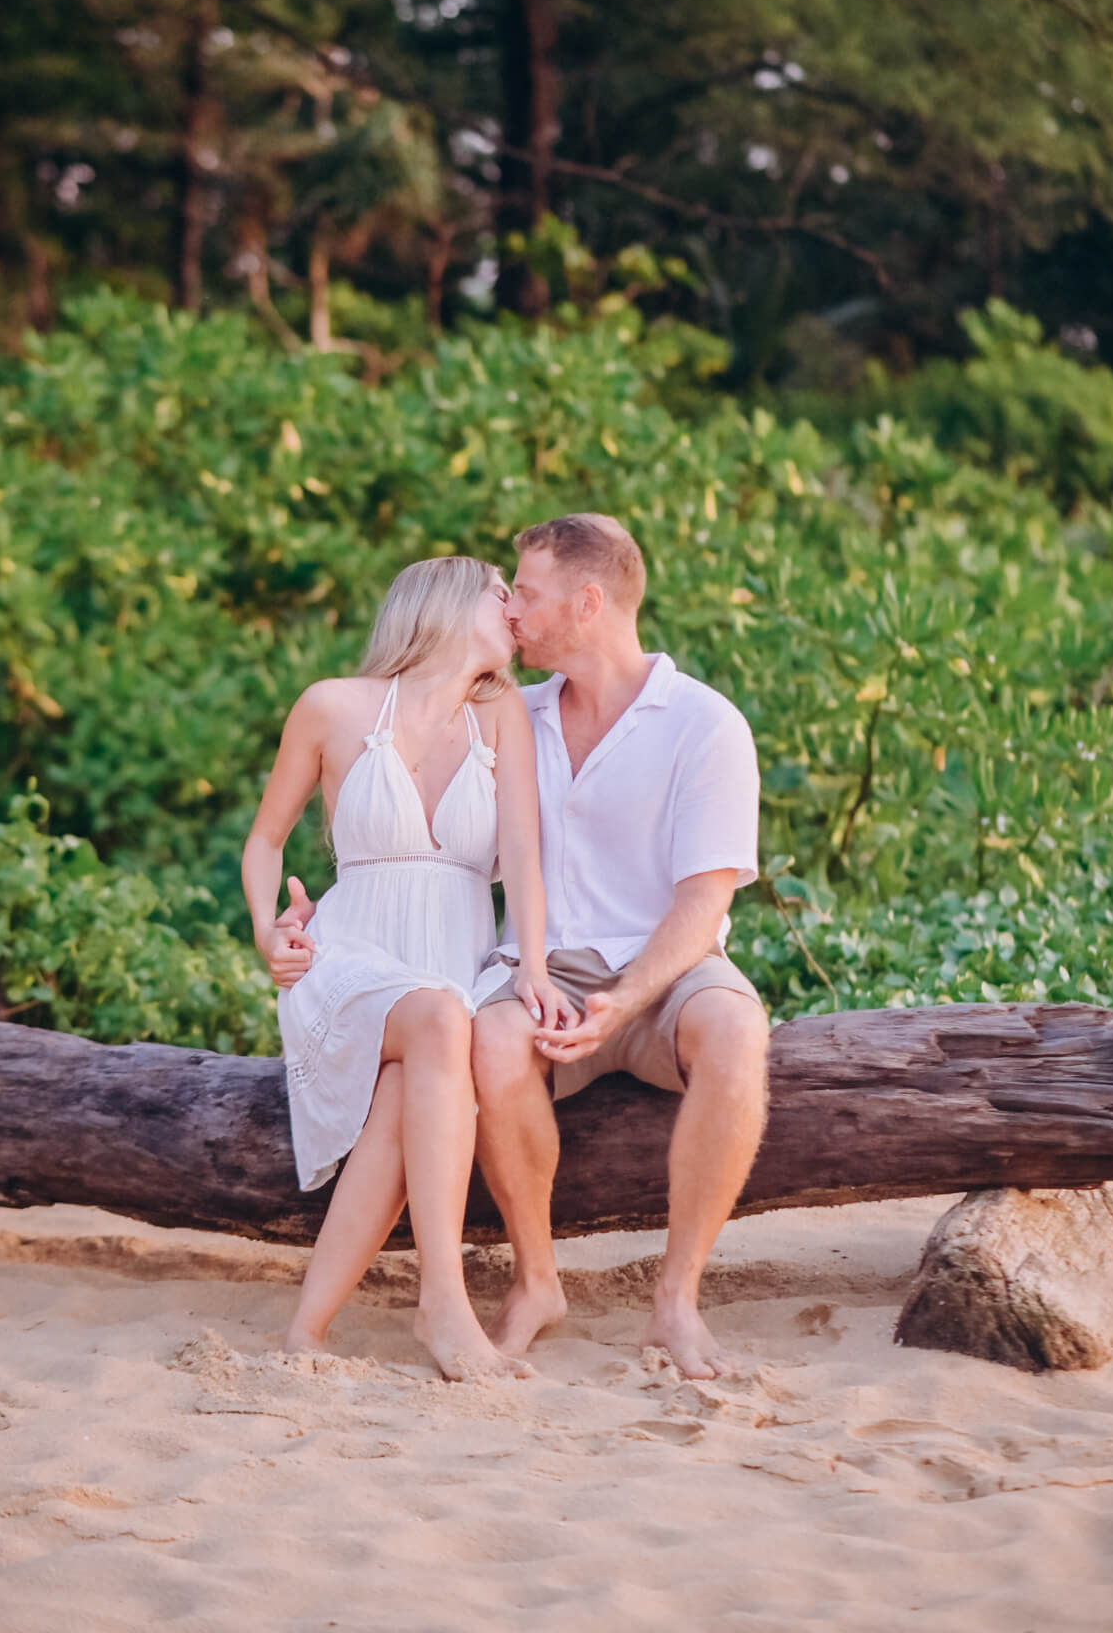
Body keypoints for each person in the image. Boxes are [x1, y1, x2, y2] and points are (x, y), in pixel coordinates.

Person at [242, 556, 572, 1380]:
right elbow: (263, 841)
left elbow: (525, 854)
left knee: (412, 1086)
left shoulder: (500, 718)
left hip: (452, 962)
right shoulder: (332, 706)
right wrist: (265, 931)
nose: (518, 612)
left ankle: (305, 1332)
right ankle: (444, 1304)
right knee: (437, 1019)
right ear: (449, 602)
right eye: (505, 594)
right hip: (350, 957)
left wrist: (530, 964)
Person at [471, 513, 768, 1379]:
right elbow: (424, 831)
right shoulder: (505, 714)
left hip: (667, 970)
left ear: (587, 601)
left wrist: (627, 997)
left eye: (525, 592)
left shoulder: (704, 725)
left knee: (737, 1032)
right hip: (541, 961)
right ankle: (536, 1283)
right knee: (490, 1039)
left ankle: (675, 1300)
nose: (511, 611)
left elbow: (701, 899)